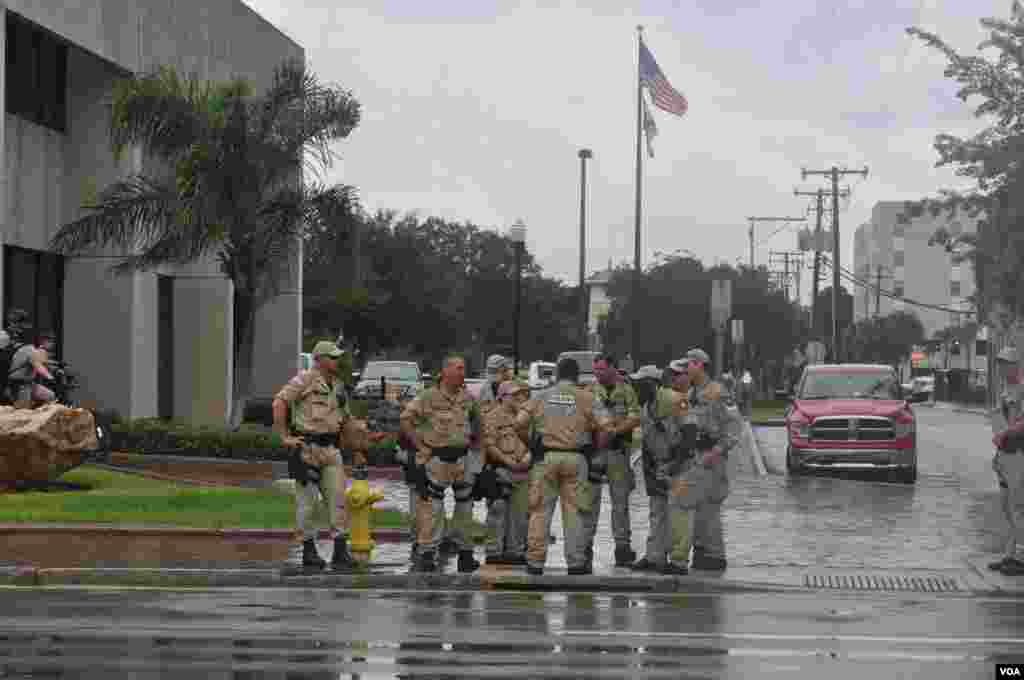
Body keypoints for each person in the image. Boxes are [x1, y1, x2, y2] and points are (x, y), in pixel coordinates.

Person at [523, 357, 614, 576]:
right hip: (577, 458)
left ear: (556, 375)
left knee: (540, 511)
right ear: (577, 376)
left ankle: (535, 562)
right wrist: (595, 450)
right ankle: (575, 562)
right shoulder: (587, 398)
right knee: (575, 513)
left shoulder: (540, 396)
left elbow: (518, 423)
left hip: (546, 458)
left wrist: (531, 444)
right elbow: (608, 428)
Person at [272, 340, 357, 570]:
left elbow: (346, 421)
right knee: (307, 504)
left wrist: (357, 450)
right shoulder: (304, 379)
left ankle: (340, 551)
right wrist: (285, 437)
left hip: (331, 449)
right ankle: (309, 552)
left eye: (337, 357)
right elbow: (279, 403)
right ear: (319, 359)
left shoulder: (338, 386)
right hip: (307, 449)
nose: (336, 361)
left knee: (338, 501)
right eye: (332, 357)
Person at [400, 354, 481, 573]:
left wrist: (476, 452)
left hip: (462, 460)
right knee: (433, 508)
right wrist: (420, 446)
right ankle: (427, 553)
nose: (462, 372)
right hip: (437, 460)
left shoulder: (467, 398)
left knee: (465, 508)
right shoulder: (428, 397)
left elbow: (478, 423)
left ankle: (466, 554)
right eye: (458, 368)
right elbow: (406, 419)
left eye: (464, 368)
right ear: (444, 371)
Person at [673, 348, 741, 571]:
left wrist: (717, 451)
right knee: (698, 507)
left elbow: (733, 427)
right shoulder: (691, 392)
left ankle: (713, 556)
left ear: (700, 364)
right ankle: (703, 553)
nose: (685, 369)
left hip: (711, 456)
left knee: (707, 507)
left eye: (689, 365)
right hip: (695, 457)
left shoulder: (718, 391)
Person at [580, 354, 641, 569]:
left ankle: (622, 549)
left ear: (614, 368)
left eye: (602, 369)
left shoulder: (626, 390)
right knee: (589, 502)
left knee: (620, 503)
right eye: (595, 369)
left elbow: (635, 417)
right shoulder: (589, 391)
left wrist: (614, 431)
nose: (598, 373)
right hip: (596, 453)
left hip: (618, 452)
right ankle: (585, 547)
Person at [629, 364, 690, 574]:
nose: (635, 388)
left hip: (681, 466)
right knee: (657, 512)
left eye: (639, 384)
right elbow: (648, 441)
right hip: (658, 467)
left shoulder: (676, 400)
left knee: (679, 513)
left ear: (652, 384)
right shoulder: (645, 408)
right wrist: (652, 471)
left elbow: (690, 434)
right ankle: (655, 556)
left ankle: (679, 562)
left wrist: (674, 464)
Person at [480, 380, 532, 564]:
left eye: (520, 394)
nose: (519, 398)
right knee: (497, 512)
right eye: (514, 395)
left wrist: (527, 458)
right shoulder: (492, 416)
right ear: (502, 397)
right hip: (500, 470)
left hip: (523, 471)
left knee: (520, 515)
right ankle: (494, 552)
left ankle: (515, 552)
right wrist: (507, 461)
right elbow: (489, 444)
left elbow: (534, 441)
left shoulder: (524, 417)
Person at [990, 346, 1024, 575]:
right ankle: (1009, 555)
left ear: (1015, 365)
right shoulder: (1005, 389)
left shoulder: (1022, 389)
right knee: (1006, 506)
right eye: (1000, 364)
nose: (1001, 368)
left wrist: (1008, 433)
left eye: (1006, 364)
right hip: (1005, 453)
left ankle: (1019, 558)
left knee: (1018, 507)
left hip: (1019, 452)